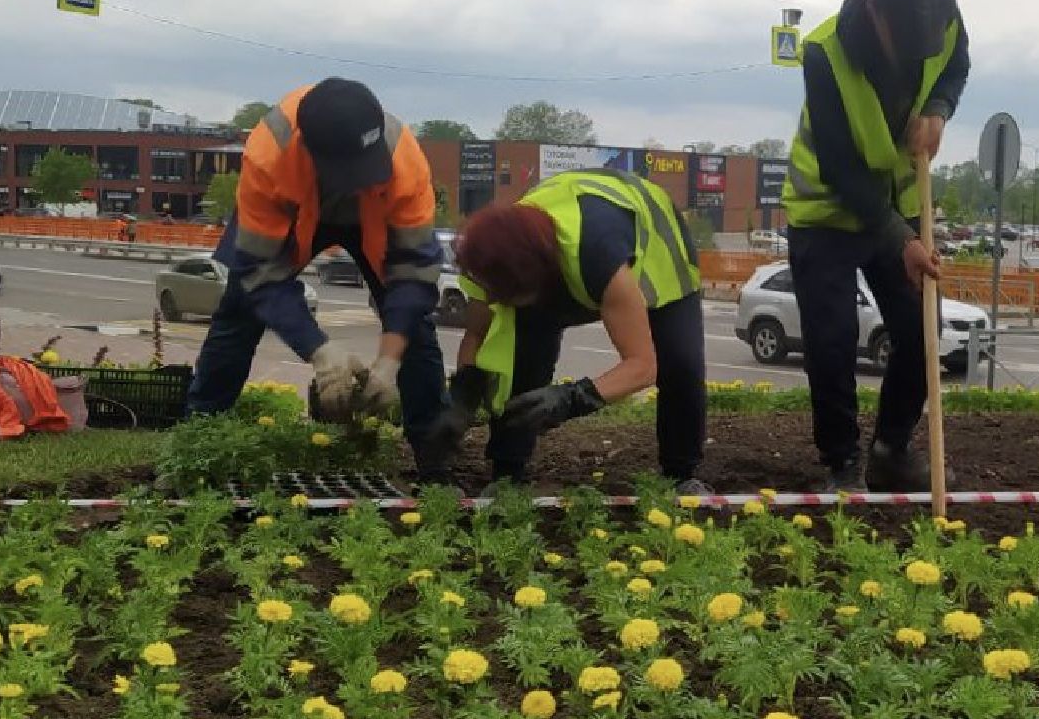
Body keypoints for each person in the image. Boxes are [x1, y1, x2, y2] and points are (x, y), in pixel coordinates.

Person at [781, 0, 970, 491]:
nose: (915, 59)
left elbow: (955, 68)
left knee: (919, 329)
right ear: (875, 10)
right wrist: (898, 238)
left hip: (899, 208)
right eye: (904, 47)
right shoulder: (823, 55)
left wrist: (939, 108)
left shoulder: (944, 17)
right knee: (833, 339)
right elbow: (841, 166)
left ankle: (891, 448)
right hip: (828, 213)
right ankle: (841, 465)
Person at [185, 77, 447, 466]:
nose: (358, 178)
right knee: (238, 308)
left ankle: (433, 452)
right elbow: (261, 272)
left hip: (372, 216)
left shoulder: (405, 162)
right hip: (295, 209)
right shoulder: (268, 156)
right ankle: (198, 440)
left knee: (415, 329)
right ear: (309, 152)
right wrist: (319, 351)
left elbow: (414, 272)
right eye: (349, 171)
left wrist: (389, 361)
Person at [424, 168, 708, 492]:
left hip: (655, 243)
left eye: (500, 295)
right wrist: (463, 394)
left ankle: (680, 473)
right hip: (557, 252)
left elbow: (642, 366)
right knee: (523, 355)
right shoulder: (486, 260)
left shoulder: (597, 256)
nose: (490, 300)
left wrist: (571, 399)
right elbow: (477, 335)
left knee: (680, 362)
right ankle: (508, 473)